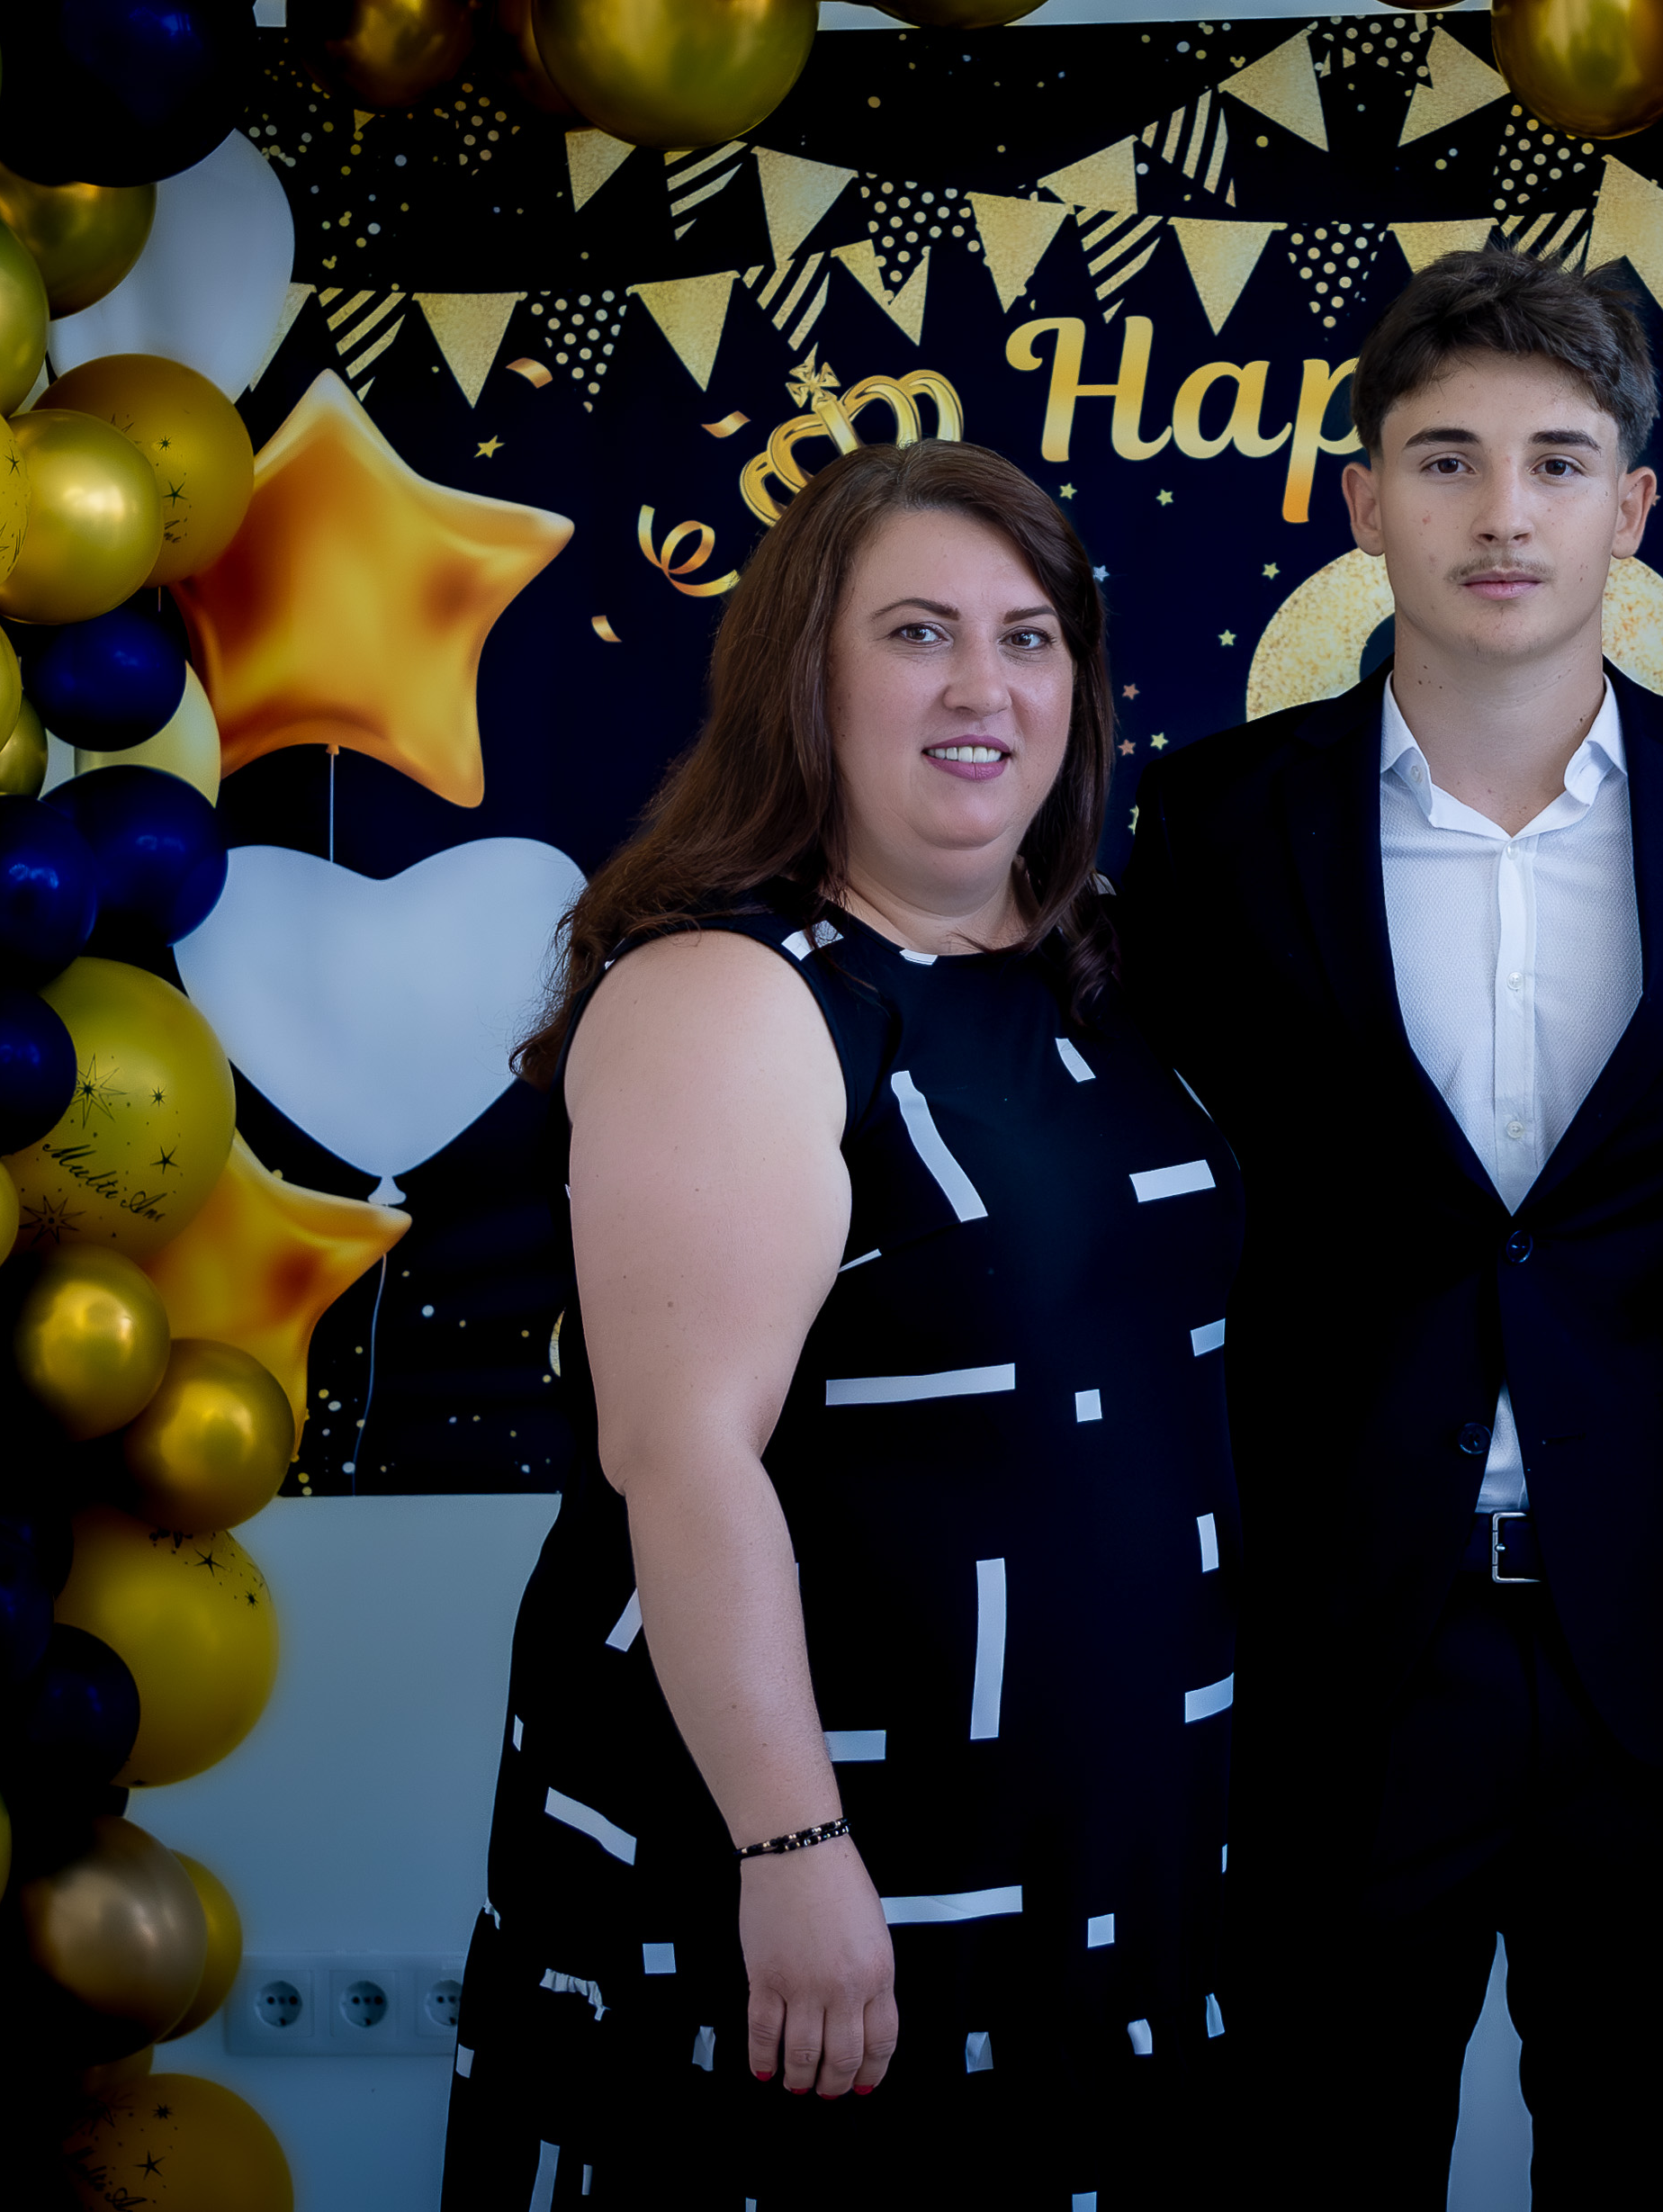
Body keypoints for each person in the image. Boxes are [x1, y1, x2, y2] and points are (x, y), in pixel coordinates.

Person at [1117, 246, 1663, 2203]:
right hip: (1339, 1649)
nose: (1502, 512)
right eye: (1444, 459)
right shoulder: (1213, 826)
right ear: (1365, 503)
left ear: (1632, 508)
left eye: (1556, 462)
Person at [444, 440, 1238, 2208]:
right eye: (917, 633)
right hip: (830, 1831)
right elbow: (682, 1453)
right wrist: (791, 1841)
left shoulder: (1100, 970)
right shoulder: (730, 990)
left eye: (1028, 638)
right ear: (802, 673)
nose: (982, 688)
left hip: (1103, 1838)